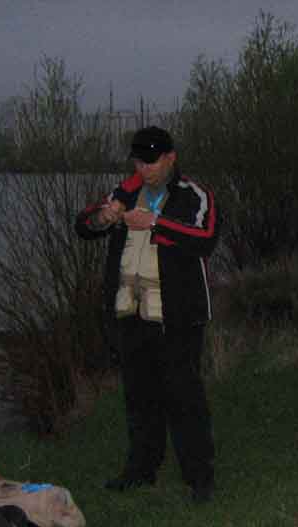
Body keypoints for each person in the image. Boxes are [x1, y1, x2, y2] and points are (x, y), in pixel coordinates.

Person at [75, 126, 220, 504]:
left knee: (184, 397)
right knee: (140, 398)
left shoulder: (195, 195)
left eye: (152, 161)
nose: (145, 168)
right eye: (139, 161)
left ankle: (199, 478)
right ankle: (141, 469)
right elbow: (83, 226)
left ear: (171, 158)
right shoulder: (124, 191)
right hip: (130, 312)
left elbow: (206, 239)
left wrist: (155, 223)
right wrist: (103, 218)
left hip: (178, 317)